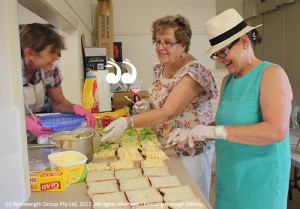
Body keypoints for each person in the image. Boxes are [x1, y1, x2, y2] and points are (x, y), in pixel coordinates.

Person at [168, 8, 293, 209]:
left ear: (244, 41)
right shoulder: (228, 80)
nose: (220, 59)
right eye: (215, 55)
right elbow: (226, 123)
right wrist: (196, 131)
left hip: (260, 184)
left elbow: (276, 131)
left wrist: (215, 131)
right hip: (229, 181)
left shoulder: (271, 74)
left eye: (223, 52)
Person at [101, 15, 218, 199]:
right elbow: (162, 102)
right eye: (157, 41)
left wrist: (127, 122)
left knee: (189, 200)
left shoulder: (194, 73)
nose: (160, 47)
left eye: (168, 42)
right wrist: (149, 105)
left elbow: (168, 112)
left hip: (190, 150)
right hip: (165, 146)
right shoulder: (162, 67)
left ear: (183, 45)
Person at [20, 23, 96, 141]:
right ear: (29, 53)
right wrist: (22, 120)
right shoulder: (8, 74)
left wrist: (76, 108)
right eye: (51, 52)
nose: (56, 57)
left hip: (37, 137)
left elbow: (60, 103)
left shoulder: (50, 70)